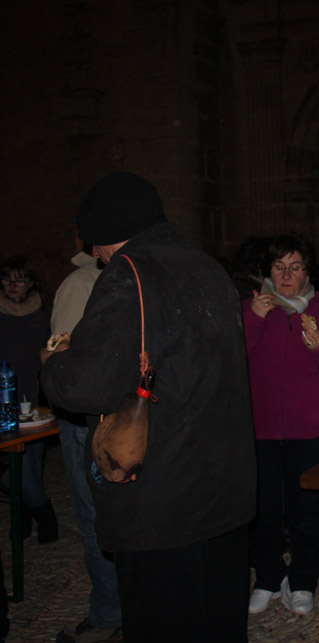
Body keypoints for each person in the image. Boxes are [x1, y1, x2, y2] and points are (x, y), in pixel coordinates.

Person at [40, 172, 257, 642]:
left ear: (102, 233)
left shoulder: (129, 274)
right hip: (224, 489)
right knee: (218, 621)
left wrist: (54, 364)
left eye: (93, 243)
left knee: (165, 622)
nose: (94, 254)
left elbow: (88, 386)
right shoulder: (207, 267)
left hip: (164, 501)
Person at [244, 234, 319, 616]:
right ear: (268, 272)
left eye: (295, 268)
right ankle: (267, 577)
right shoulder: (251, 309)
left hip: (310, 431)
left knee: (305, 511)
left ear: (308, 273)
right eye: (279, 267)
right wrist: (254, 319)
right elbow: (230, 360)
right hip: (260, 430)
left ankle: (304, 580)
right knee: (264, 510)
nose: (286, 275)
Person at [48, 241, 123, 643]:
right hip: (90, 415)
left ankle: (114, 611)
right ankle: (113, 608)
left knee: (104, 516)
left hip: (113, 417)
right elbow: (64, 356)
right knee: (97, 515)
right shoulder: (81, 284)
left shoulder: (119, 279)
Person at [0, 256, 57, 544]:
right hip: (3, 398)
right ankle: (40, 517)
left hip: (33, 399)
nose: (13, 285)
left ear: (30, 283)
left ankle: (31, 519)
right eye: (7, 279)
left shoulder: (41, 314)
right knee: (16, 466)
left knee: (30, 464)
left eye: (20, 279)